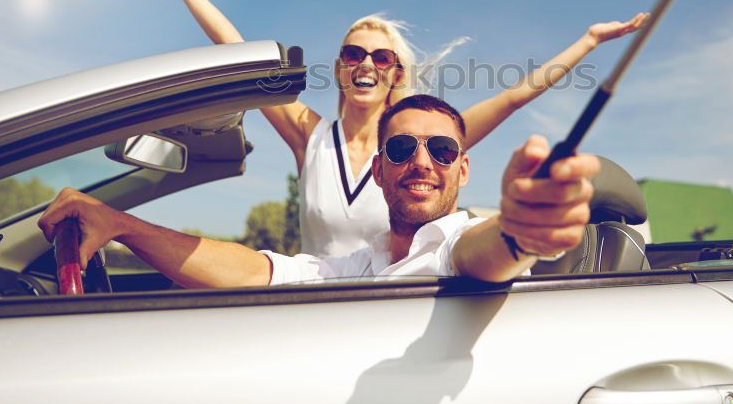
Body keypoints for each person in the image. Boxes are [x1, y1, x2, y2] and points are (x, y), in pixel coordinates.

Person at [123, 0, 643, 258]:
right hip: (319, 306)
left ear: (396, 74)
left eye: (382, 57)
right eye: (353, 53)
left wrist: (590, 41)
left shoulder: (423, 143)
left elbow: (513, 98)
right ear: (340, 68)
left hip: (396, 305)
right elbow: (239, 54)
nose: (367, 63)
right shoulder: (309, 133)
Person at [38, 95, 599, 285]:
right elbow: (256, 272)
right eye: (402, 150)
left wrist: (523, 231)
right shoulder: (363, 262)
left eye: (443, 150)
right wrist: (123, 224)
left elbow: (488, 254)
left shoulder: (459, 242)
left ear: (464, 168)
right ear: (379, 170)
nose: (423, 162)